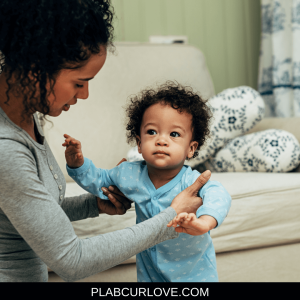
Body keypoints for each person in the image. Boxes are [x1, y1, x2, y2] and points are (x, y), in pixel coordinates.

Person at [0, 0, 210, 282]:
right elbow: (71, 261)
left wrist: (95, 204)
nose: (84, 94)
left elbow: (28, 216)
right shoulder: (6, 147)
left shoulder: (24, 113)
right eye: (79, 82)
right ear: (36, 68)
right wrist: (170, 218)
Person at [63, 81, 232, 282]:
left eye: (174, 134)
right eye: (152, 132)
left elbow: (218, 194)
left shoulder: (191, 182)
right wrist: (78, 165)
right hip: (150, 272)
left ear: (191, 148)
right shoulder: (129, 173)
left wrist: (205, 222)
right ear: (139, 144)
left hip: (193, 274)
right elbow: (100, 181)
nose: (161, 140)